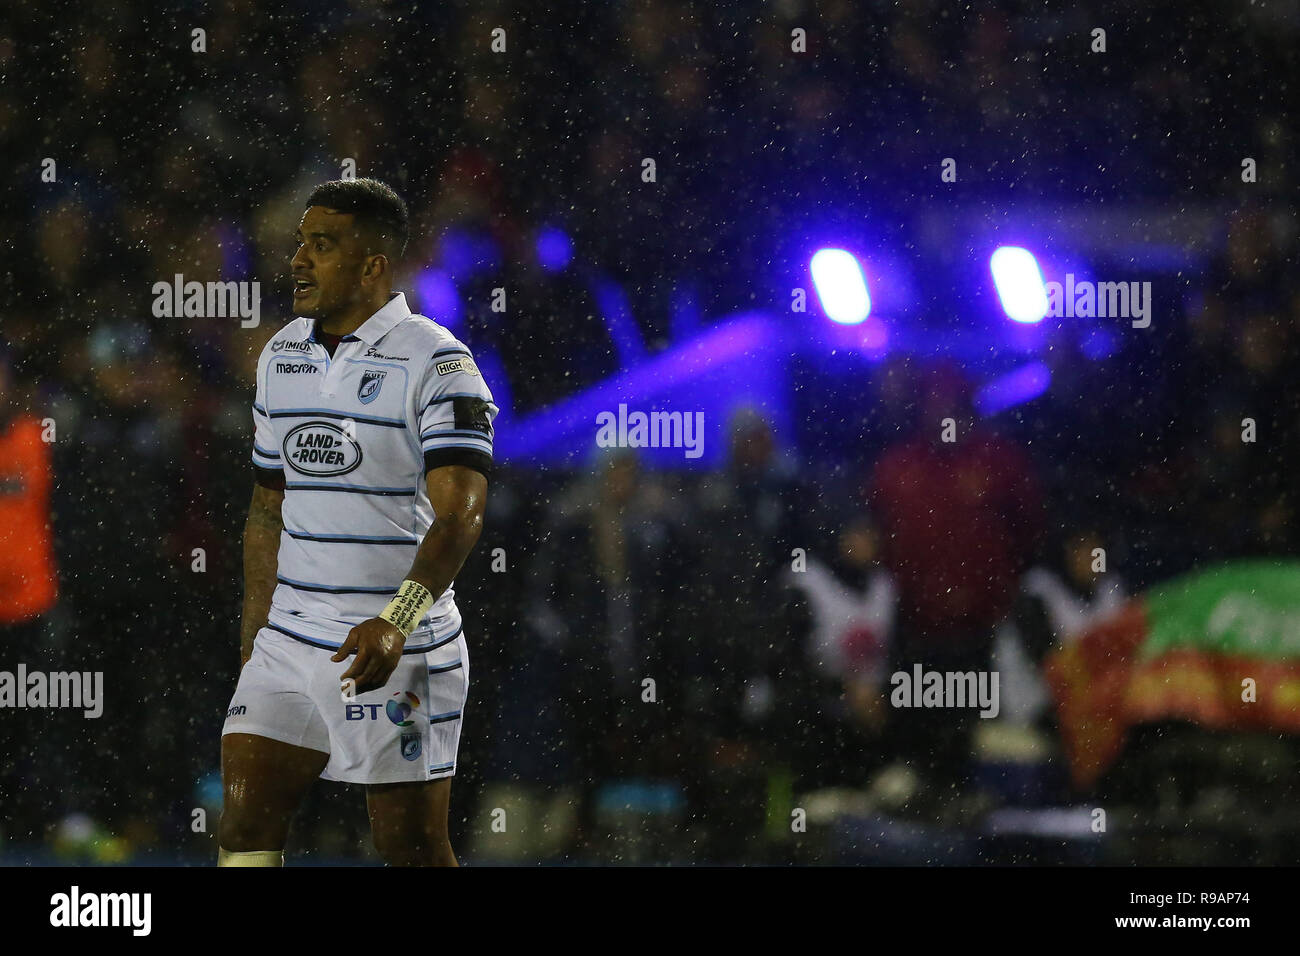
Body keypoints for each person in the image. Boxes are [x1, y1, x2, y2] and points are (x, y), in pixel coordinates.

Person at [218, 179, 497, 866]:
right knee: (245, 825)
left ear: (372, 265)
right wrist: (257, 630)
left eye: (321, 245)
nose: (298, 261)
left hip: (396, 645)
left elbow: (461, 516)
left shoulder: (440, 363)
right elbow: (265, 507)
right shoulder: (280, 355)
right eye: (299, 245)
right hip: (290, 638)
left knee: (409, 846)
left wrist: (396, 621)